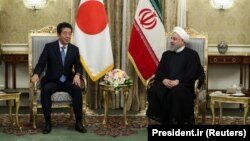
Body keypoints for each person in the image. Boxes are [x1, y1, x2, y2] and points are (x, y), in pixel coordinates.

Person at [31, 22, 87, 134]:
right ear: (58, 34)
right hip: (52, 80)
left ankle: (78, 122)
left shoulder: (74, 49)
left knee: (76, 89)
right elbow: (41, 63)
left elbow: (78, 66)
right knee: (45, 90)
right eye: (65, 33)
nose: (68, 36)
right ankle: (47, 122)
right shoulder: (49, 47)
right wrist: (36, 73)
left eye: (70, 34)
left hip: (67, 80)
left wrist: (77, 75)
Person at [146, 26, 204, 125]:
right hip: (166, 84)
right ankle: (163, 120)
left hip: (183, 85)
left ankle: (175, 121)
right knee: (156, 90)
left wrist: (179, 81)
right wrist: (164, 80)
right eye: (171, 38)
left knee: (175, 93)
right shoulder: (166, 54)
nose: (171, 41)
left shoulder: (192, 55)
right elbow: (160, 71)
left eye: (174, 39)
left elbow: (193, 72)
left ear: (182, 41)